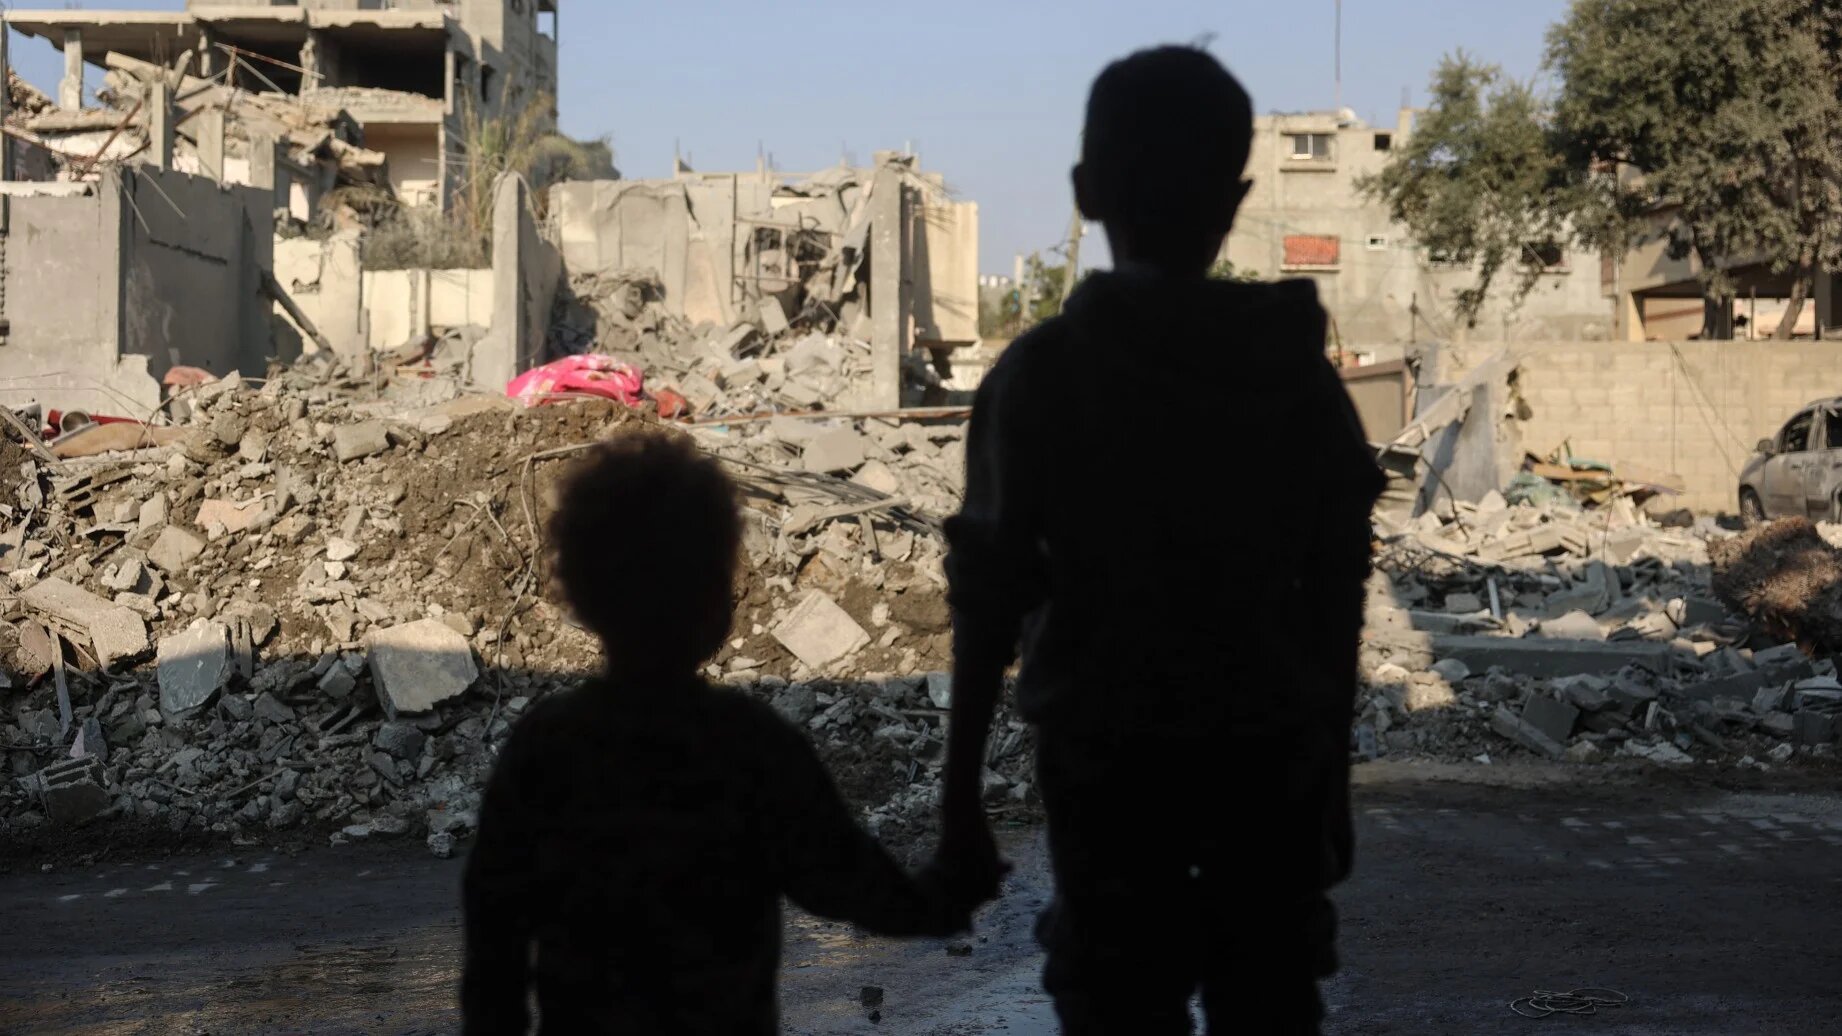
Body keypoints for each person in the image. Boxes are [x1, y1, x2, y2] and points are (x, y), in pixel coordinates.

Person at [929, 46, 1386, 1034]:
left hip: (1108, 775)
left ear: (1086, 191)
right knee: (1268, 991)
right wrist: (1331, 782)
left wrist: (960, 796)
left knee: (1115, 995)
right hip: (1270, 769)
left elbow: (987, 599)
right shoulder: (1297, 382)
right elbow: (1339, 589)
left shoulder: (1042, 378)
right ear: (1237, 197)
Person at [462, 431, 968, 1035]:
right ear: (716, 603)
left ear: (580, 593)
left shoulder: (545, 747)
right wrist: (948, 894)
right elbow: (847, 884)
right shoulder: (752, 746)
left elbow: (494, 937)